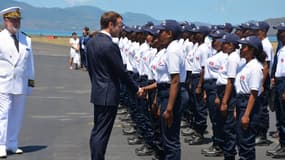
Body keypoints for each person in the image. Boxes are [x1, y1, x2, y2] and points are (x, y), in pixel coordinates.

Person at [86, 11, 143, 160]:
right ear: (110, 25)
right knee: (102, 133)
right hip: (109, 93)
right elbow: (121, 73)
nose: (121, 29)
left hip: (98, 91)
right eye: (119, 26)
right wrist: (136, 89)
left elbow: (91, 68)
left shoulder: (91, 42)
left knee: (97, 131)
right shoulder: (109, 45)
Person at [0, 6, 35, 158]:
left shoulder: (26, 39)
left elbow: (30, 64)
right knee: (3, 114)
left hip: (20, 83)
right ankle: (1, 145)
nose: (16, 22)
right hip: (3, 82)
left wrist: (30, 85)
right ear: (5, 20)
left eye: (18, 20)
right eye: (13, 20)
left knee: (17, 115)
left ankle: (12, 143)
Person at [235, 36, 265, 159]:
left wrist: (246, 115)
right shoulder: (245, 65)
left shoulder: (255, 67)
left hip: (248, 104)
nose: (241, 49)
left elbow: (253, 93)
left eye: (244, 47)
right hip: (241, 102)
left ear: (252, 49)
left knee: (246, 142)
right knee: (241, 140)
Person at [266, 22, 285, 158]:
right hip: (278, 82)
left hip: (284, 83)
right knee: (279, 116)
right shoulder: (280, 46)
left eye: (280, 31)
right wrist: (273, 77)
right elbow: (277, 63)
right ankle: (282, 144)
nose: (278, 34)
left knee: (284, 117)